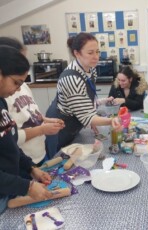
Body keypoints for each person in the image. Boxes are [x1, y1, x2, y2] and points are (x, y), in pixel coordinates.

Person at [45, 32, 122, 159]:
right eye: (90, 53)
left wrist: (92, 115)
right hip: (60, 127)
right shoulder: (72, 78)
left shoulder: (90, 69)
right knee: (60, 159)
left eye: (97, 52)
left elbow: (87, 99)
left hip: (74, 123)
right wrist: (111, 120)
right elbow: (87, 115)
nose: (96, 57)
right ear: (76, 53)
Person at [0, 45, 53, 214]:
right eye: (16, 82)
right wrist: (27, 186)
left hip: (8, 187)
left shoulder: (1, 102)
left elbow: (11, 143)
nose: (18, 89)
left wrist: (31, 168)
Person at [0, 36, 65, 165]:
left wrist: (46, 120)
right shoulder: (4, 96)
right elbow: (12, 137)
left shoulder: (22, 86)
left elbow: (31, 114)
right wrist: (42, 130)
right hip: (22, 159)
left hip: (37, 155)